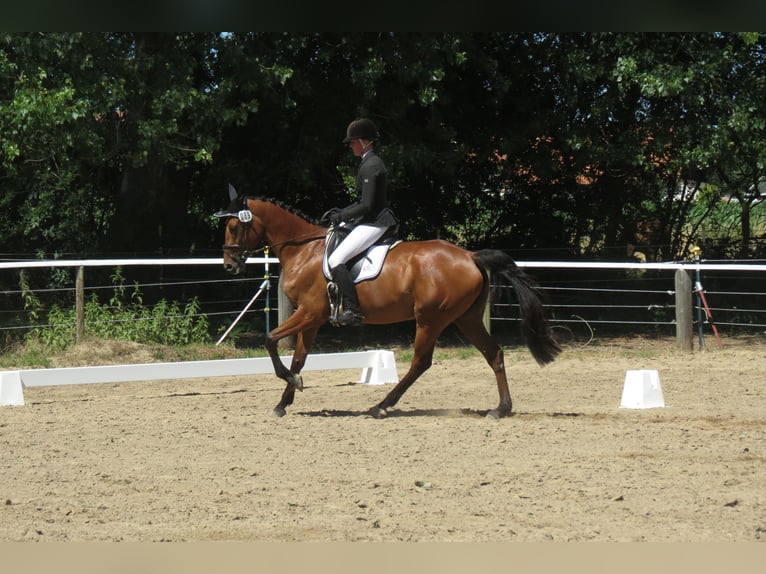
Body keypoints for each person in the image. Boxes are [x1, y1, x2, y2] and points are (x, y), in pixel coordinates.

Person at [321, 118, 398, 326]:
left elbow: (366, 205)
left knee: (336, 260)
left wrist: (343, 216)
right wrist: (343, 211)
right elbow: (362, 202)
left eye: (353, 142)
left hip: (376, 222)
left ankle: (353, 311)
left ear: (365, 141)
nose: (350, 146)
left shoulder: (372, 165)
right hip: (369, 219)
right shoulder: (368, 162)